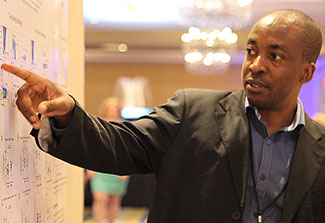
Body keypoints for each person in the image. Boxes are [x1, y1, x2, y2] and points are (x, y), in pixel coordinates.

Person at [1, 9, 325, 223]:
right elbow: (119, 144)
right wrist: (69, 113)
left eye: (275, 55)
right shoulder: (193, 111)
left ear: (306, 73)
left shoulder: (319, 149)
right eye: (252, 50)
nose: (256, 64)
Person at [86, 97, 129, 223]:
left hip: (117, 166)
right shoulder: (97, 124)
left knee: (114, 200)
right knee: (100, 198)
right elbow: (91, 148)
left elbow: (128, 149)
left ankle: (112, 220)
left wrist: (126, 169)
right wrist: (89, 167)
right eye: (110, 108)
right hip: (99, 166)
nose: (112, 111)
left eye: (115, 108)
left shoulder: (124, 126)